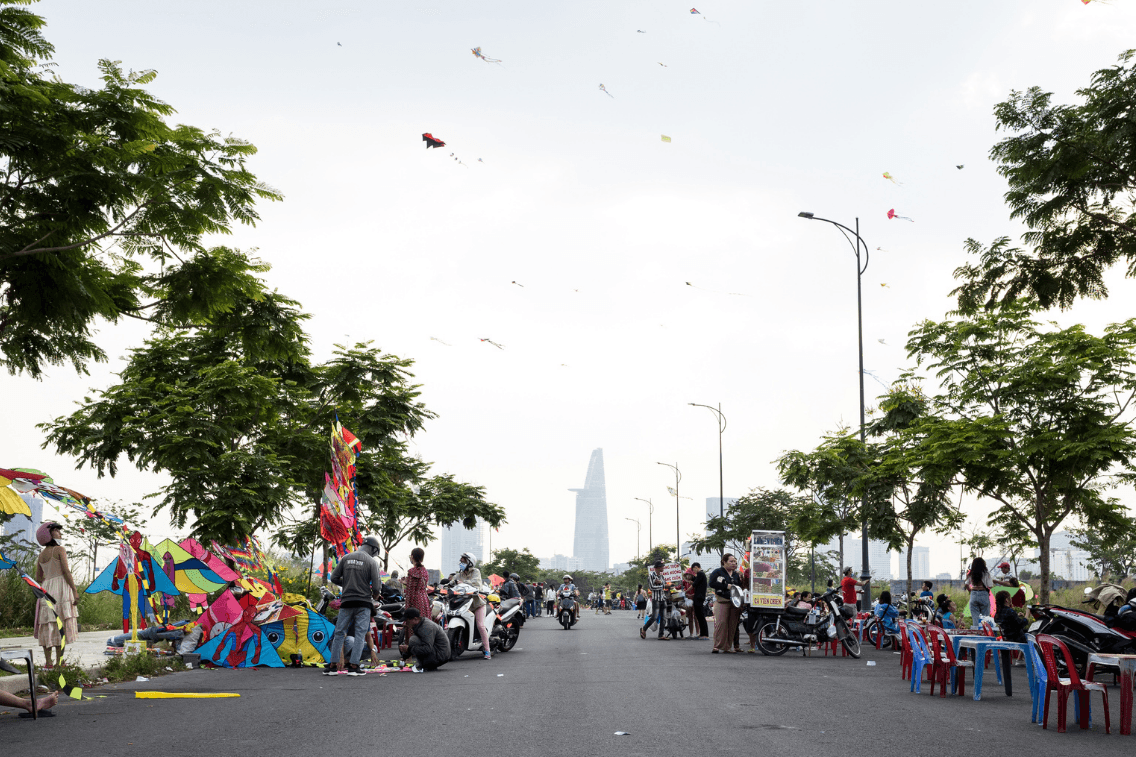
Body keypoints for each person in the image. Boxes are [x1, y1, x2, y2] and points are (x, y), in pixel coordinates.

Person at [326, 536, 384, 676]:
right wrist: (374, 596)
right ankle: (353, 666)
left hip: (347, 602)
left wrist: (346, 584)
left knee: (339, 632)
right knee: (360, 634)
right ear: (373, 549)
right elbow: (377, 587)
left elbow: (333, 578)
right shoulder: (372, 562)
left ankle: (333, 666)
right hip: (363, 603)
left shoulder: (346, 558)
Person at [33, 522, 78, 669]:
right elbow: (66, 571)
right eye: (57, 531)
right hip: (61, 588)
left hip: (46, 589)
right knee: (61, 624)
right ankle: (60, 662)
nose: (60, 533)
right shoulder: (60, 549)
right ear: (49, 534)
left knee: (47, 624)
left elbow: (38, 578)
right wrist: (74, 590)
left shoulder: (41, 555)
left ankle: (48, 662)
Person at [445, 552, 493, 659]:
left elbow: (476, 583)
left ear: (470, 562)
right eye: (461, 561)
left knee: (480, 625)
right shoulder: (459, 574)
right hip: (465, 604)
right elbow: (452, 582)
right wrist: (445, 586)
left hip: (477, 604)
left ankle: (487, 650)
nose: (461, 563)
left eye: (463, 561)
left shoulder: (476, 572)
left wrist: (462, 582)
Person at [708, 553, 743, 653]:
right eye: (731, 561)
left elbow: (739, 587)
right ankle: (717, 646)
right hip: (722, 600)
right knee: (721, 623)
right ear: (724, 562)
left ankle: (727, 647)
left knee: (732, 625)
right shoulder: (717, 572)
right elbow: (711, 583)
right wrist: (726, 586)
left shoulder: (736, 574)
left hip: (734, 603)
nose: (734, 563)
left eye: (735, 561)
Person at [399, 607, 451, 671]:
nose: (405, 623)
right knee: (413, 640)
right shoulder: (419, 624)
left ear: (415, 619)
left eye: (407, 621)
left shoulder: (426, 627)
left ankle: (429, 664)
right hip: (437, 651)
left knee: (413, 640)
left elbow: (427, 649)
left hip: (441, 655)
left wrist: (408, 649)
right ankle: (426, 664)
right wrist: (404, 657)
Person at [640, 561, 669, 641]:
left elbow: (665, 585)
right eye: (662, 566)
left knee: (664, 618)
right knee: (654, 617)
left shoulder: (662, 576)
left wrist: (661, 583)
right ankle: (644, 629)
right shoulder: (651, 576)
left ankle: (661, 635)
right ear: (658, 568)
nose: (663, 568)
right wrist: (662, 585)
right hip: (656, 599)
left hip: (663, 598)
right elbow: (652, 587)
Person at [404, 547, 431, 621]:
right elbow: (421, 585)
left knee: (413, 623)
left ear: (412, 557)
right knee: (424, 623)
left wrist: (407, 609)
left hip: (415, 602)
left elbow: (410, 592)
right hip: (424, 600)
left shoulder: (412, 572)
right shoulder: (424, 571)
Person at [965, 557, 992, 628]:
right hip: (983, 593)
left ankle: (976, 631)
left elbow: (966, 584)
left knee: (975, 618)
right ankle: (985, 630)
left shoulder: (971, 574)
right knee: (985, 617)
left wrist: (971, 590)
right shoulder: (986, 573)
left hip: (974, 593)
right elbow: (990, 585)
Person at [689, 563, 709, 639]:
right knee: (698, 616)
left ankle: (705, 634)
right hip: (698, 597)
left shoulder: (700, 573)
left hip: (699, 598)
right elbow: (695, 582)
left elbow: (694, 584)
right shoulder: (700, 575)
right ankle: (702, 633)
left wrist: (686, 591)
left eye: (693, 569)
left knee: (700, 616)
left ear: (696, 567)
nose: (693, 571)